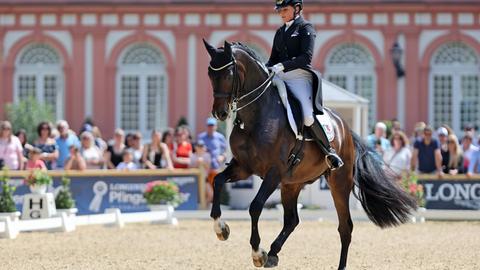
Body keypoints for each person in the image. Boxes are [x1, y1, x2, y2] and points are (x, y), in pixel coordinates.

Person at [265, 0, 342, 169]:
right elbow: (273, 58)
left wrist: (282, 65)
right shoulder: (280, 32)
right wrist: (266, 67)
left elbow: (306, 58)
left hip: (299, 77)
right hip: (280, 76)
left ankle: (329, 151)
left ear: (297, 8)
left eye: (285, 10)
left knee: (307, 116)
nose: (282, 14)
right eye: (280, 11)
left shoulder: (305, 28)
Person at [197, 118, 227, 186]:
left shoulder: (220, 137)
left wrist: (222, 156)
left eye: (212, 125)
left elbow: (226, 151)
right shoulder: (201, 137)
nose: (211, 127)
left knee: (216, 188)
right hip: (204, 168)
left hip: (216, 167)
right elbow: (197, 150)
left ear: (216, 126)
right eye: (209, 126)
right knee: (204, 189)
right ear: (206, 126)